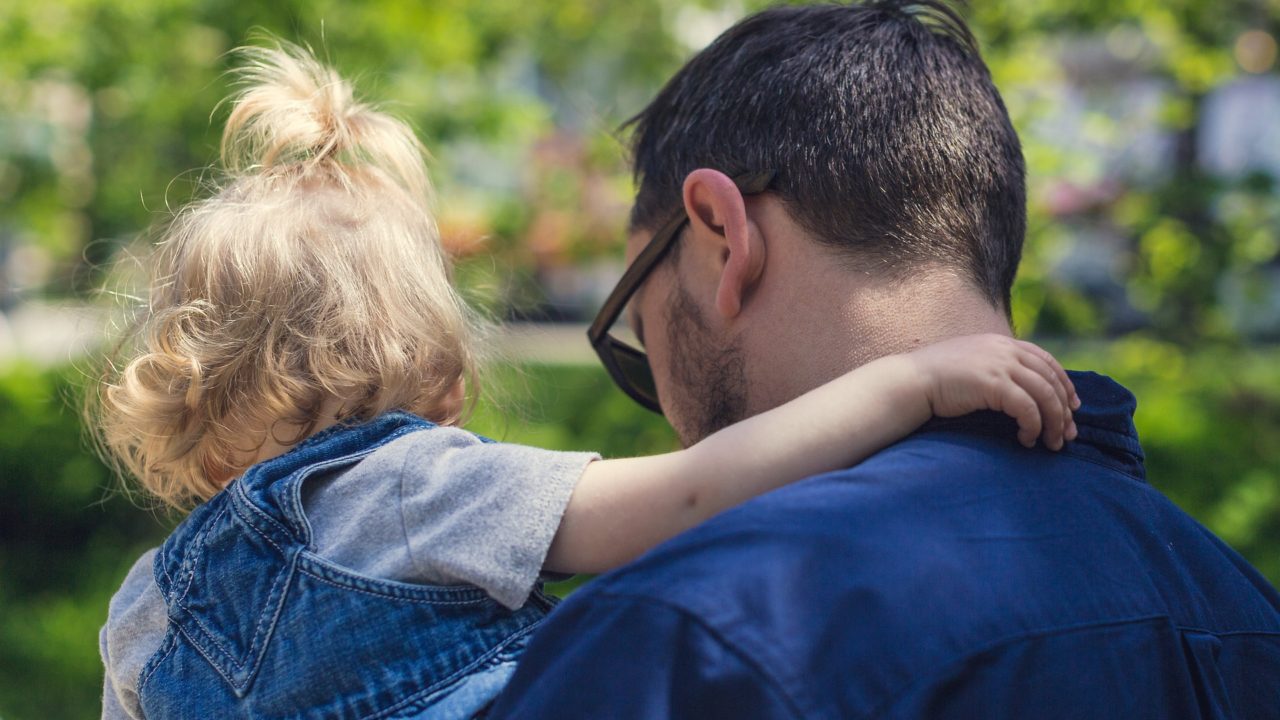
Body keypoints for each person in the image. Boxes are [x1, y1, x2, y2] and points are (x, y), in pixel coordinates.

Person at [94, 42, 1080, 719]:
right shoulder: (421, 490)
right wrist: (906, 383)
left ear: (182, 393)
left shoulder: (147, 605)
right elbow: (693, 491)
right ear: (429, 359)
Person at [489, 2, 1280, 718]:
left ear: (723, 235)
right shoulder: (1242, 608)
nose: (663, 406)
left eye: (636, 324)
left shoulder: (692, 636)